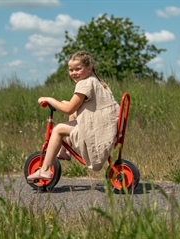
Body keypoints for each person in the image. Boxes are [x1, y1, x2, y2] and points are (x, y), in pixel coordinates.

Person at [27, 50, 120, 180]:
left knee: (58, 129)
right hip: (105, 123)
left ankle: (46, 169)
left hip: (98, 129)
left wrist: (49, 99)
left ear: (89, 68)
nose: (74, 73)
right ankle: (64, 151)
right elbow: (79, 107)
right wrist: (65, 103)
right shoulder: (96, 81)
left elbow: (69, 109)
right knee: (74, 115)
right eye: (71, 70)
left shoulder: (84, 83)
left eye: (78, 69)